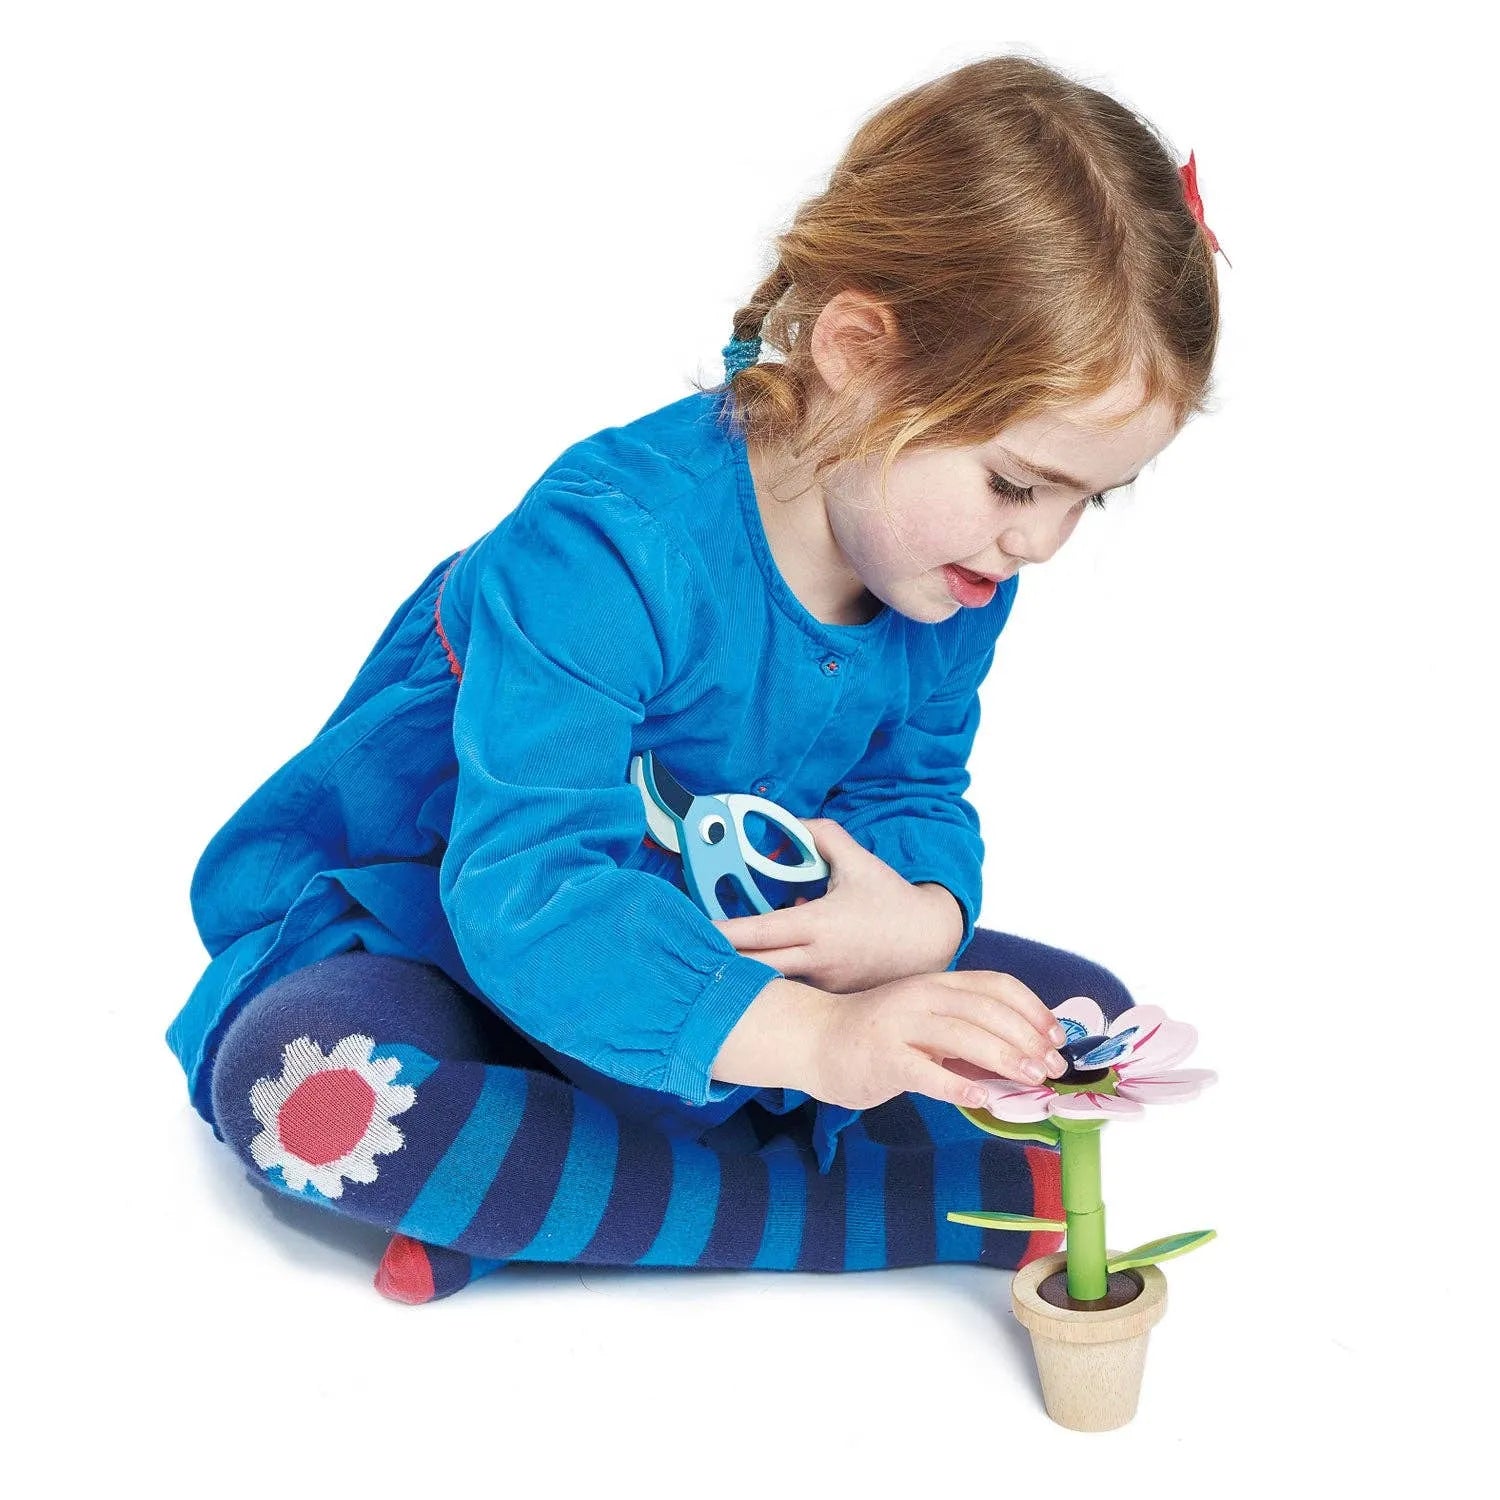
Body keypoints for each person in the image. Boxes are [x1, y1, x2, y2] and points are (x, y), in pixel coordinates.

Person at [169, 54, 1223, 1305]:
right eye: (1016, 482)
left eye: (1090, 499)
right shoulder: (606, 549)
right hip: (460, 938)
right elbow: (530, 890)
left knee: (1076, 1024)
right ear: (860, 353)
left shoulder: (949, 571)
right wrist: (826, 1040)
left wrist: (923, 921)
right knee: (299, 1090)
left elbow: (915, 788)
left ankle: (551, 1196)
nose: (1041, 540)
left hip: (729, 948)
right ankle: (836, 1208)